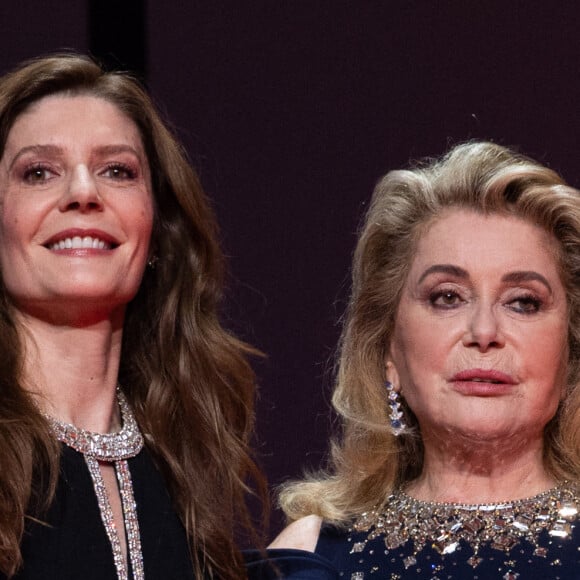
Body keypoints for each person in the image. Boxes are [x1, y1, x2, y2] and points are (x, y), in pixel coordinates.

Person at [256, 142, 580, 579]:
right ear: (388, 347)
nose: (484, 333)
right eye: (447, 297)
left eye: (523, 303)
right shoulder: (310, 556)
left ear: (570, 353)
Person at [0, 53, 264, 579]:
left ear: (157, 231)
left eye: (116, 171)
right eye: (38, 172)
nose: (82, 193)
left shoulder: (189, 464)